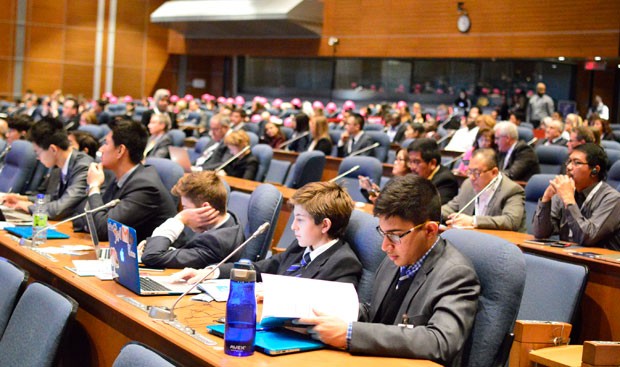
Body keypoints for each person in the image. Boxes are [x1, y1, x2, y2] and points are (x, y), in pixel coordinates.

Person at [298, 175, 480, 365]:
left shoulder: (457, 275)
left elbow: (440, 342)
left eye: (395, 236)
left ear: (430, 230)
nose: (385, 246)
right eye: (383, 233)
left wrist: (351, 334)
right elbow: (376, 314)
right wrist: (323, 310)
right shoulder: (395, 258)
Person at [172, 181, 363, 288]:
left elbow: (331, 311)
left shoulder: (343, 263)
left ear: (325, 225)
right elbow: (260, 268)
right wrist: (210, 273)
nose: (293, 227)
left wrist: (275, 297)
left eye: (300, 220)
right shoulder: (302, 247)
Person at [78, 119, 177, 242]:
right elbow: (84, 219)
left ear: (120, 150)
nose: (101, 149)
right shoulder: (122, 178)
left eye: (106, 144)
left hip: (149, 259)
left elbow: (103, 231)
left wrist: (94, 186)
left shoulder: (145, 187)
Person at [140, 171, 245, 269]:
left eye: (185, 208)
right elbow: (185, 247)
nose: (184, 213)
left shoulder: (216, 244)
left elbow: (152, 257)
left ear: (204, 208)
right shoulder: (228, 219)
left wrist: (179, 219)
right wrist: (152, 244)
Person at [532, 143, 620, 250]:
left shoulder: (612, 199)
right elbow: (540, 233)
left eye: (576, 163)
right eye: (569, 161)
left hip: (600, 263)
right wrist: (546, 198)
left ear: (595, 170)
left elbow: (587, 238)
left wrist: (569, 200)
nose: (568, 167)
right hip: (567, 257)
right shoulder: (565, 191)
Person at [2, 117, 93, 219]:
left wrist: (28, 206)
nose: (37, 157)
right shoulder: (60, 166)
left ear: (53, 149)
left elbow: (59, 209)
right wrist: (21, 198)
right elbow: (52, 198)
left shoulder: (84, 167)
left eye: (37, 152)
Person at [442, 149, 526, 232]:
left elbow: (510, 221)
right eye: (469, 172)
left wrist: (473, 221)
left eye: (477, 172)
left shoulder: (512, 190)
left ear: (494, 172)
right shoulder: (468, 185)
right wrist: (431, 212)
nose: (472, 178)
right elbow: (451, 207)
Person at [408, 138, 459, 204]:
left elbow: (433, 210)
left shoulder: (446, 181)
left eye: (417, 162)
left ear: (432, 163)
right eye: (410, 161)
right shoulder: (414, 177)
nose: (412, 167)